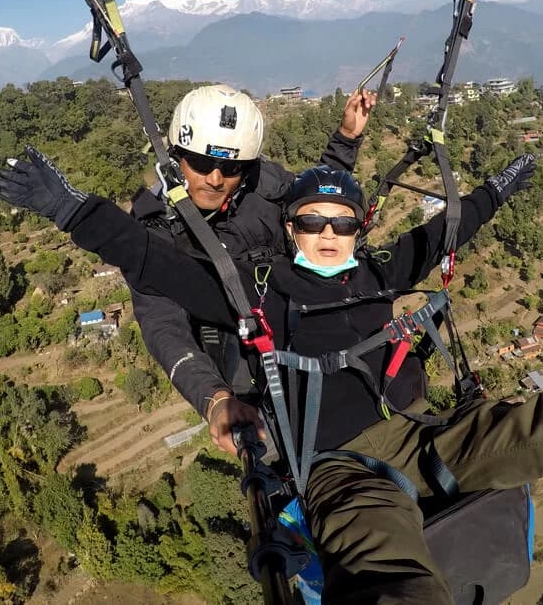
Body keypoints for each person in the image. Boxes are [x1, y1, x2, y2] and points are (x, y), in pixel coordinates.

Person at [0, 150, 543, 604]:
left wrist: (501, 189)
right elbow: (151, 262)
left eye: (341, 223)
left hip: (427, 437)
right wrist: (70, 208)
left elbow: (447, 231)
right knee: (390, 576)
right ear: (290, 228)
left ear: (357, 228)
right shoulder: (254, 294)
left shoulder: (377, 272)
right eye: (312, 222)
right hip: (339, 471)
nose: (327, 236)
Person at [127, 83, 378, 454]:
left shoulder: (262, 183)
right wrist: (214, 399)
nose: (215, 178)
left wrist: (346, 138)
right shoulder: (157, 228)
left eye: (230, 167)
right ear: (176, 156)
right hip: (239, 347)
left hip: (298, 312)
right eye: (201, 163)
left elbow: (314, 203)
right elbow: (163, 324)